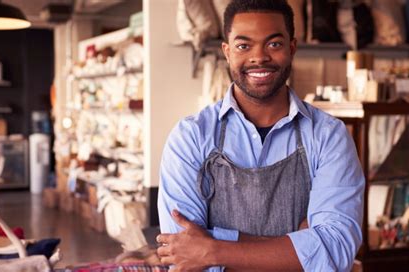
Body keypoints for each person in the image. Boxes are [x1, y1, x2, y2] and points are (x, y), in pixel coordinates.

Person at [156, 0, 365, 271]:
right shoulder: (190, 137)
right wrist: (301, 246)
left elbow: (335, 249)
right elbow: (183, 253)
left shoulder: (329, 136)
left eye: (274, 44)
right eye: (244, 46)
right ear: (227, 52)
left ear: (292, 48)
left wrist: (212, 248)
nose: (259, 57)